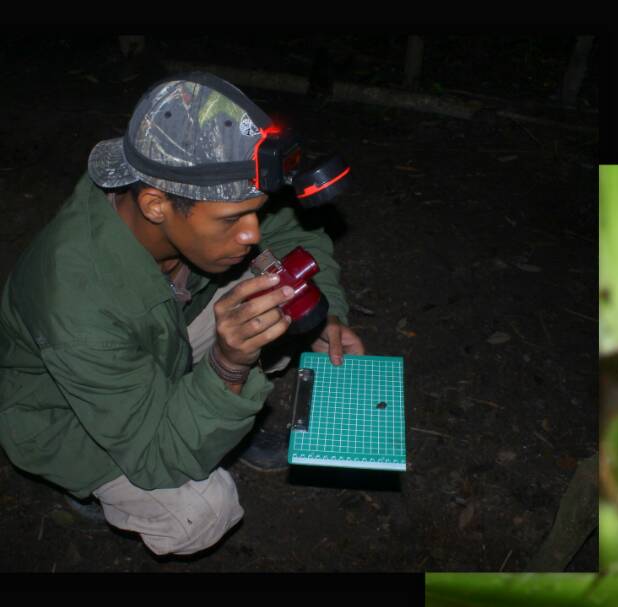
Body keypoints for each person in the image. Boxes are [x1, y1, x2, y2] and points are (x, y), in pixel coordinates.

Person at [0, 72, 365, 556]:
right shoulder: (74, 300)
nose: (251, 235)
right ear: (155, 205)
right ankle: (92, 485)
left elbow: (291, 235)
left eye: (254, 212)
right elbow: (158, 455)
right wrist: (227, 366)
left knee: (281, 296)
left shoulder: (209, 191)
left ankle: (221, 416)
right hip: (65, 413)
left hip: (155, 336)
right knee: (203, 512)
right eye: (233, 221)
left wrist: (327, 314)